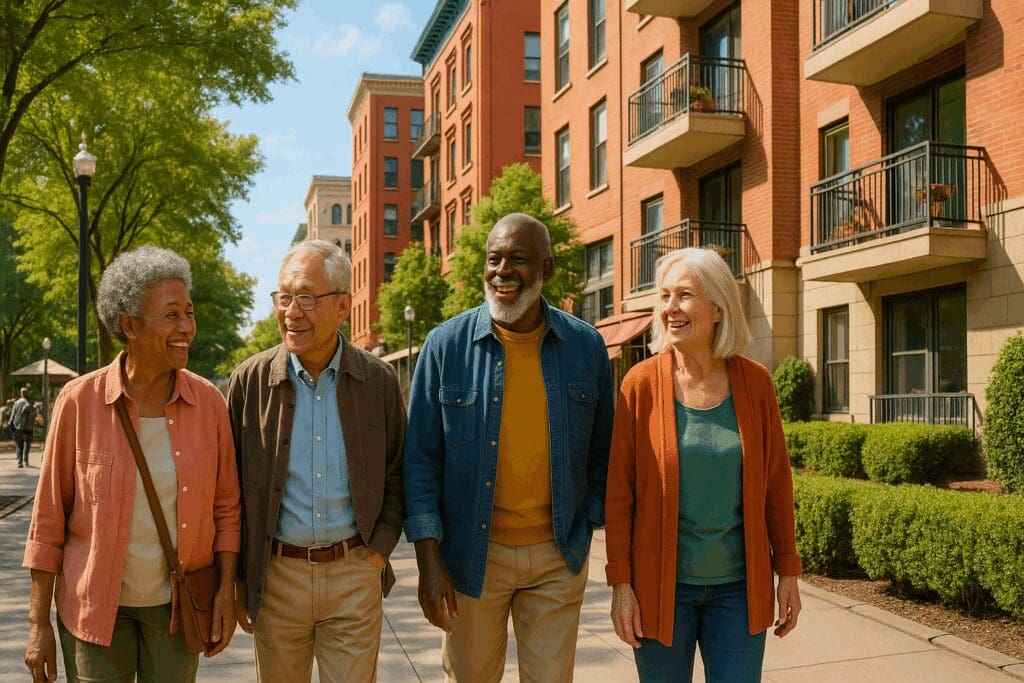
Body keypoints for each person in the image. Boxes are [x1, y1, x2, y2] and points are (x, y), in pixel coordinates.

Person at [404, 213, 614, 681]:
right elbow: (419, 462)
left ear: (546, 269)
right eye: (493, 259)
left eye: (517, 260)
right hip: (472, 557)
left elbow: (605, 450)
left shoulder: (586, 346)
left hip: (557, 556)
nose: (502, 271)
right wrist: (428, 562)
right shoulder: (444, 347)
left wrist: (587, 522)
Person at [23, 246, 241, 683]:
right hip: (93, 613)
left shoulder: (210, 405)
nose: (187, 328)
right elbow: (48, 521)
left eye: (189, 313)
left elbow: (227, 509)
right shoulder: (78, 403)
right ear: (129, 325)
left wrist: (225, 594)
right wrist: (37, 624)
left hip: (179, 613)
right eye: (172, 315)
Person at [605, 247, 802, 682]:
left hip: (737, 591)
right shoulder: (639, 385)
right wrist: (621, 585)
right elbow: (619, 495)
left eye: (684, 295)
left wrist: (787, 571)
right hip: (660, 590)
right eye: (663, 296)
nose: (669, 308)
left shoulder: (756, 383)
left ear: (717, 308)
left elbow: (776, 486)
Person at [227, 239, 406, 682]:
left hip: (354, 574)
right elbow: (225, 487)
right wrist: (236, 578)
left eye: (306, 297)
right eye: (283, 297)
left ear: (344, 306)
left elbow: (400, 472)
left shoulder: (378, 381)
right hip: (277, 578)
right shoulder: (248, 381)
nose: (291, 311)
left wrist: (378, 552)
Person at [10, 387, 36, 467]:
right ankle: (25, 460)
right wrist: (31, 425)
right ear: (26, 393)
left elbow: (12, 415)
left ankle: (20, 461)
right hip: (26, 427)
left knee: (19, 445)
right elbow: (31, 416)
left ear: (21, 394)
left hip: (17, 426)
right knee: (26, 444)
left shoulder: (16, 403)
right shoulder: (28, 404)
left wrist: (11, 423)